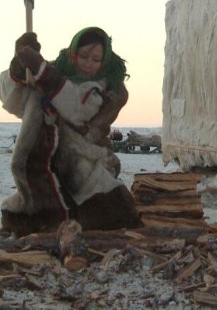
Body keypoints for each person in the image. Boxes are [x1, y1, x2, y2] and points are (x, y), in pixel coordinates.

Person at [0, 27, 141, 235]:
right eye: (84, 56)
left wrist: (44, 73)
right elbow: (14, 100)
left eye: (96, 59)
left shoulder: (109, 88)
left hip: (85, 156)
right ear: (73, 53)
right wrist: (20, 66)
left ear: (104, 61)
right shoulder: (49, 71)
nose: (89, 63)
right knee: (23, 212)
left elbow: (79, 109)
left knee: (110, 208)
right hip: (44, 156)